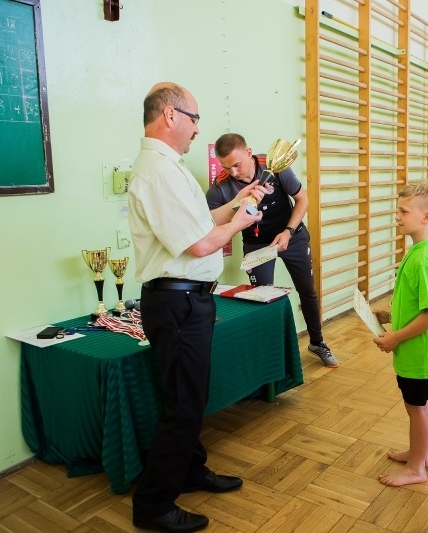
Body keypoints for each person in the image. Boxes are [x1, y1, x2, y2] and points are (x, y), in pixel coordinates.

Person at [127, 83, 264, 533]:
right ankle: (152, 505)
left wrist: (238, 207)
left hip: (188, 299)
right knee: (183, 405)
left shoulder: (170, 167)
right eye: (193, 118)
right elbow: (202, 243)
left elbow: (205, 223)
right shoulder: (159, 172)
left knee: (190, 398)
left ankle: (189, 470)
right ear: (170, 115)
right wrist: (242, 221)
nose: (196, 128)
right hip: (177, 299)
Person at [207, 133, 338, 368]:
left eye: (237, 164)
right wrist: (239, 202)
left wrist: (288, 231)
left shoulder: (275, 167)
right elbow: (212, 222)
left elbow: (302, 199)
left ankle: (317, 342)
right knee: (261, 299)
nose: (234, 172)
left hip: (292, 236)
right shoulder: (221, 187)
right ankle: (268, 354)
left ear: (248, 153)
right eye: (227, 167)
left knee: (307, 292)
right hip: (257, 245)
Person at [371, 181, 428, 487]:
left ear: (426, 217)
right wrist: (391, 316)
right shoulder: (421, 251)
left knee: (417, 407)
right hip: (418, 349)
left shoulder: (424, 258)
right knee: (415, 405)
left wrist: (395, 337)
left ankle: (418, 467)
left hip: (421, 351)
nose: (397, 215)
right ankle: (420, 453)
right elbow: (421, 304)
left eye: (404, 211)